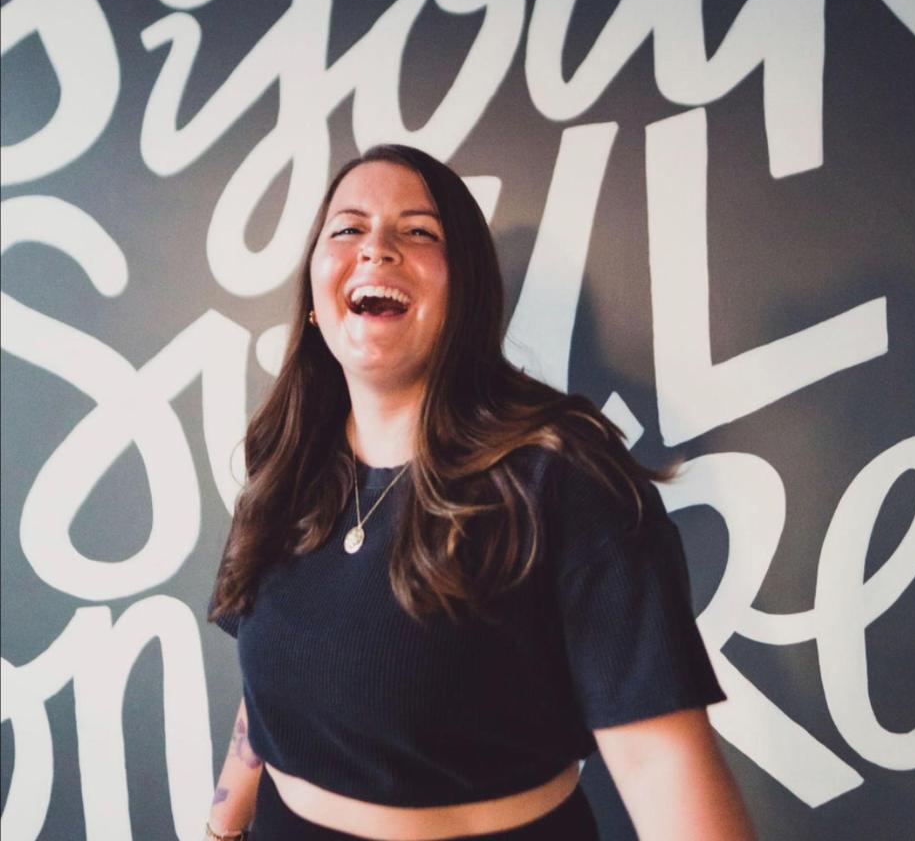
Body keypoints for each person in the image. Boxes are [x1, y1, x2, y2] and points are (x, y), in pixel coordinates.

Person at [205, 144, 754, 840]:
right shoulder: (286, 458)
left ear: (463, 294)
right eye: (346, 229)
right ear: (314, 294)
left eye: (418, 232)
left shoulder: (561, 477)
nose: (376, 247)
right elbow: (271, 692)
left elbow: (660, 768)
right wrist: (221, 825)